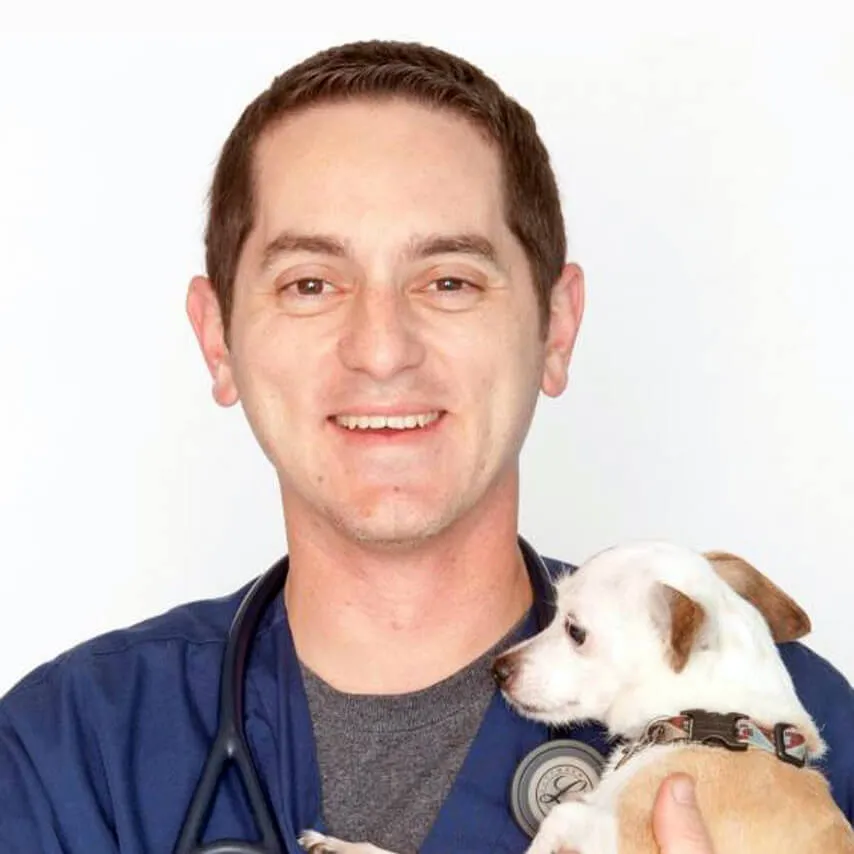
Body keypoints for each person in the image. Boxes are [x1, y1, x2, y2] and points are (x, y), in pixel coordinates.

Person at [0, 40, 851, 854]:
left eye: (449, 281)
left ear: (556, 329)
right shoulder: (68, 755)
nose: (381, 349)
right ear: (218, 339)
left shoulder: (803, 744)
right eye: (310, 284)